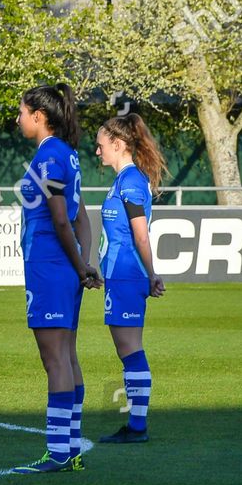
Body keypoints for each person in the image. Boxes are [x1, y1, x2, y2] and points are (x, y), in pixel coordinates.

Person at [12, 84, 100, 474]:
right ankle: (72, 448)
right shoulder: (69, 156)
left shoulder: (48, 158)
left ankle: (58, 452)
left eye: (22, 112)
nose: (18, 119)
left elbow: (62, 218)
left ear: (39, 116)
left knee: (54, 360)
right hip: (65, 266)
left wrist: (80, 266)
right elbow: (81, 216)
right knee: (68, 354)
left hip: (49, 266)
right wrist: (84, 260)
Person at [94, 113, 166, 444]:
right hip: (118, 274)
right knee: (128, 350)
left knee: (130, 350)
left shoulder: (132, 181)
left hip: (127, 275)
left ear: (118, 144)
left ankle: (137, 426)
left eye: (100, 145)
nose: (97, 152)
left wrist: (152, 274)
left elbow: (140, 235)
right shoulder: (123, 180)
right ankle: (136, 424)